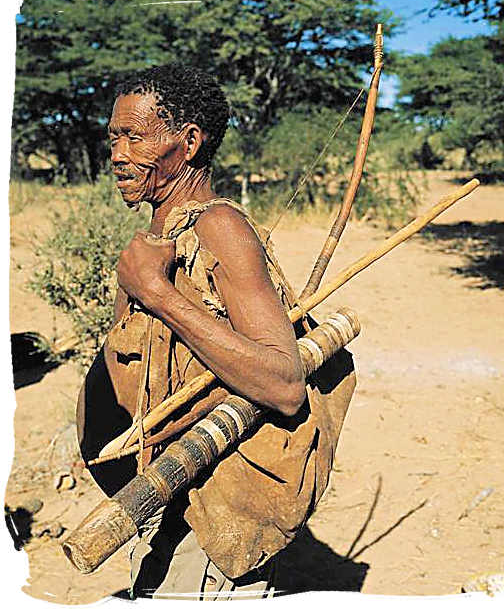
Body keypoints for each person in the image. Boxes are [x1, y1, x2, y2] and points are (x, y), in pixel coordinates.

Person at [76, 64, 356, 600]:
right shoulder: (160, 235)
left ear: (188, 142)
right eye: (114, 136)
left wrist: (157, 294)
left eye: (135, 136)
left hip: (212, 516)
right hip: (165, 501)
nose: (117, 153)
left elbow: (283, 383)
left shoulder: (219, 227)